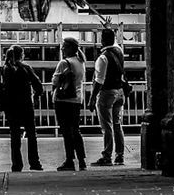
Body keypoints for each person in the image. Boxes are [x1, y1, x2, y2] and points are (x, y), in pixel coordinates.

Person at [0, 45, 47, 172]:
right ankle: (34, 163)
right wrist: (35, 96)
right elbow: (39, 86)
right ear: (22, 55)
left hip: (11, 107)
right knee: (31, 134)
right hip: (26, 106)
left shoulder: (5, 69)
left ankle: (17, 165)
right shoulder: (26, 68)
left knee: (15, 135)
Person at [90, 27, 128, 165]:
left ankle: (107, 156)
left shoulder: (103, 57)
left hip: (107, 93)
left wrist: (92, 97)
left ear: (102, 40)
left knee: (107, 126)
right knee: (117, 125)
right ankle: (120, 156)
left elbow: (99, 80)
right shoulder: (119, 52)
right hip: (120, 93)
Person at [51, 37, 89, 171]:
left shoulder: (64, 62)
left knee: (67, 132)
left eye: (64, 47)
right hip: (77, 100)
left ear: (71, 48)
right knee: (76, 130)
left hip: (63, 101)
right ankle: (82, 161)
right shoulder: (81, 61)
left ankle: (69, 160)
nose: (62, 49)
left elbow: (55, 82)